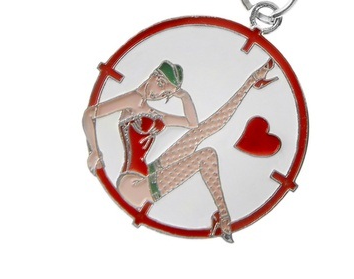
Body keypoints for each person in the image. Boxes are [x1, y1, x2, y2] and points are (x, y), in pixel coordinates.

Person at [82, 58, 276, 243]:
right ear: (154, 76)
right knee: (206, 155)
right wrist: (93, 150)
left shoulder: (152, 111)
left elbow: (193, 124)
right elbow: (90, 113)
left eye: (166, 94)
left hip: (147, 172)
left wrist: (182, 95)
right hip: (132, 185)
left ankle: (251, 81)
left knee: (201, 132)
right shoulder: (134, 100)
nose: (159, 95)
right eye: (161, 86)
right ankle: (224, 216)